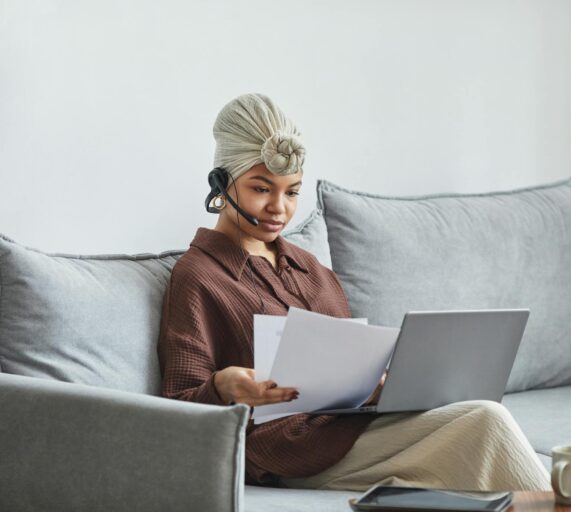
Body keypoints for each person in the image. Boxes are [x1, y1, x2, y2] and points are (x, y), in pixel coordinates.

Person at [157, 93, 550, 491]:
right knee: (485, 422)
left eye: (292, 192)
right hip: (290, 450)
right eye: (262, 189)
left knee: (476, 416)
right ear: (222, 184)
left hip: (350, 427)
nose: (279, 208)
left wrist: (380, 386)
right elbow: (175, 410)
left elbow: (347, 374)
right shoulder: (199, 276)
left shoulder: (311, 270)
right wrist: (224, 386)